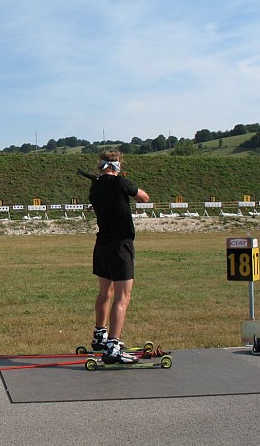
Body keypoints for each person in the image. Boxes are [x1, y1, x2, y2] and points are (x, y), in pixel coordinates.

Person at [88, 150, 149, 364]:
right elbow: (144, 197)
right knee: (123, 297)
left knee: (106, 291)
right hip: (120, 245)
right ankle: (113, 346)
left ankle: (100, 335)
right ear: (116, 166)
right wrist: (122, 180)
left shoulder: (95, 187)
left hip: (102, 245)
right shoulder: (121, 182)